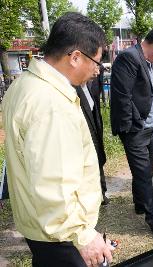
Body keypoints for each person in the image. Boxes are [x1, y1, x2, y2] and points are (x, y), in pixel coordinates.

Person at [2, 12, 114, 266]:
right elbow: (53, 184)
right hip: (61, 234)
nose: (97, 70)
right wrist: (83, 235)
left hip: (39, 224)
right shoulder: (51, 104)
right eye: (96, 62)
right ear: (75, 57)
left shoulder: (24, 85)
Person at [110, 26, 153, 240]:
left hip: (151, 127)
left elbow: (148, 91)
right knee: (143, 175)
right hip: (136, 130)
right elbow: (122, 97)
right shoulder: (128, 58)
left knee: (146, 171)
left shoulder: (148, 60)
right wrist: (135, 127)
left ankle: (141, 203)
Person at [75, 80, 109, 205]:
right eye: (95, 65)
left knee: (98, 159)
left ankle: (102, 191)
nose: (96, 71)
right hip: (83, 134)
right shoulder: (71, 89)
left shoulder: (89, 86)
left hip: (95, 130)